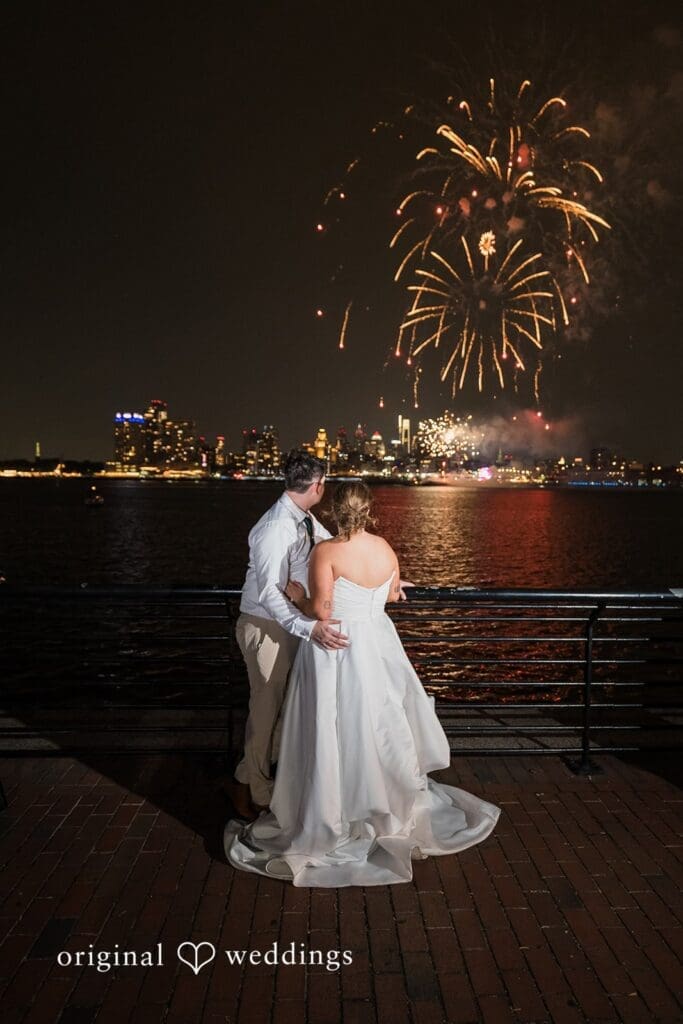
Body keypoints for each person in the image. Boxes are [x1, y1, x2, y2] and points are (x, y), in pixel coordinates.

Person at [224, 481, 500, 887]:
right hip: (376, 644)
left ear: (335, 511)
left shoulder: (327, 551)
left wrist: (297, 597)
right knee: (377, 721)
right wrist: (381, 590)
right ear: (369, 510)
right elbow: (390, 594)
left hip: (336, 647)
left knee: (333, 724)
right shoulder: (386, 548)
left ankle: (332, 805)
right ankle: (379, 803)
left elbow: (321, 609)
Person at [222, 450, 348, 821]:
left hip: (288, 627)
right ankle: (259, 795)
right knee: (264, 712)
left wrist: (382, 573)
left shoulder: (304, 519)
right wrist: (307, 626)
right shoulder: (277, 527)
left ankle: (247, 778)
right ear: (317, 485)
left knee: (278, 710)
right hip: (266, 627)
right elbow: (269, 593)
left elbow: (336, 548)